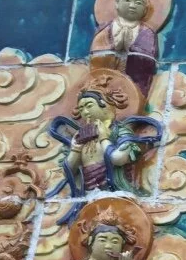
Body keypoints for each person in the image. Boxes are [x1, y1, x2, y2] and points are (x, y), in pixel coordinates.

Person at [46, 84, 162, 226]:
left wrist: (104, 138)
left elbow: (118, 159)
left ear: (106, 105)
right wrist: (76, 148)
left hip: (115, 189)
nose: (85, 112)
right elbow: (69, 171)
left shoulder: (119, 131)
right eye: (81, 109)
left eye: (89, 105)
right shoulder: (82, 136)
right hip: (89, 191)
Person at [90, 0, 159, 95]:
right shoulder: (105, 28)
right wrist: (113, 49)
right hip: (105, 81)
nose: (132, 6)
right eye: (127, 0)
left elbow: (149, 61)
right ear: (117, 3)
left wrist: (131, 49)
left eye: (138, 3)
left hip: (134, 83)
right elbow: (95, 57)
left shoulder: (146, 32)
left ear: (145, 9)